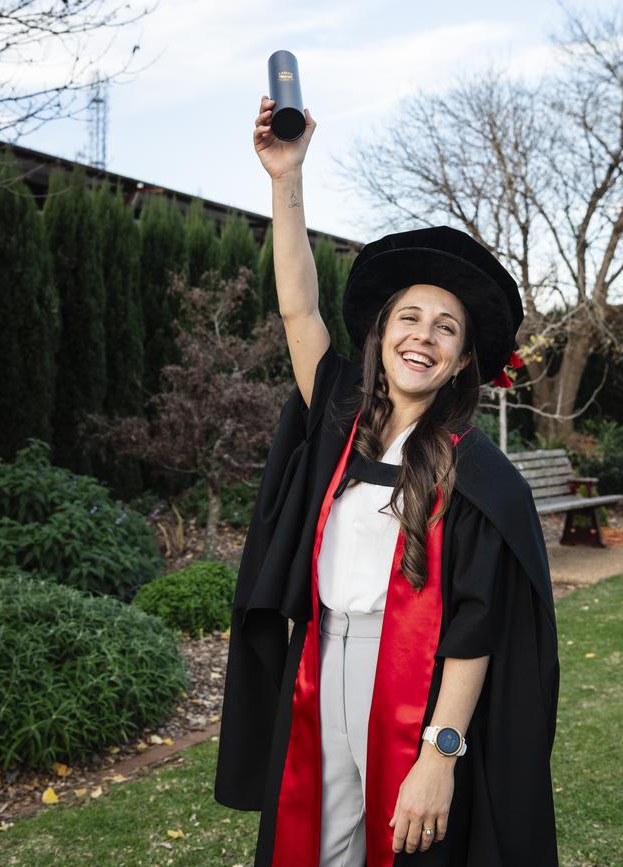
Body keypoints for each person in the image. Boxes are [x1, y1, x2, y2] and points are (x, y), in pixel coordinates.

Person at [213, 96, 560, 867]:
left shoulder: (477, 470)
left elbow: (476, 628)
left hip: (414, 682)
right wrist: (286, 177)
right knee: (321, 842)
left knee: (407, 847)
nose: (423, 337)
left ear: (465, 359)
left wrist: (441, 752)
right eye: (411, 318)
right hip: (323, 660)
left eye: (446, 328)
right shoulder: (339, 415)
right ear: (384, 331)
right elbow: (299, 305)